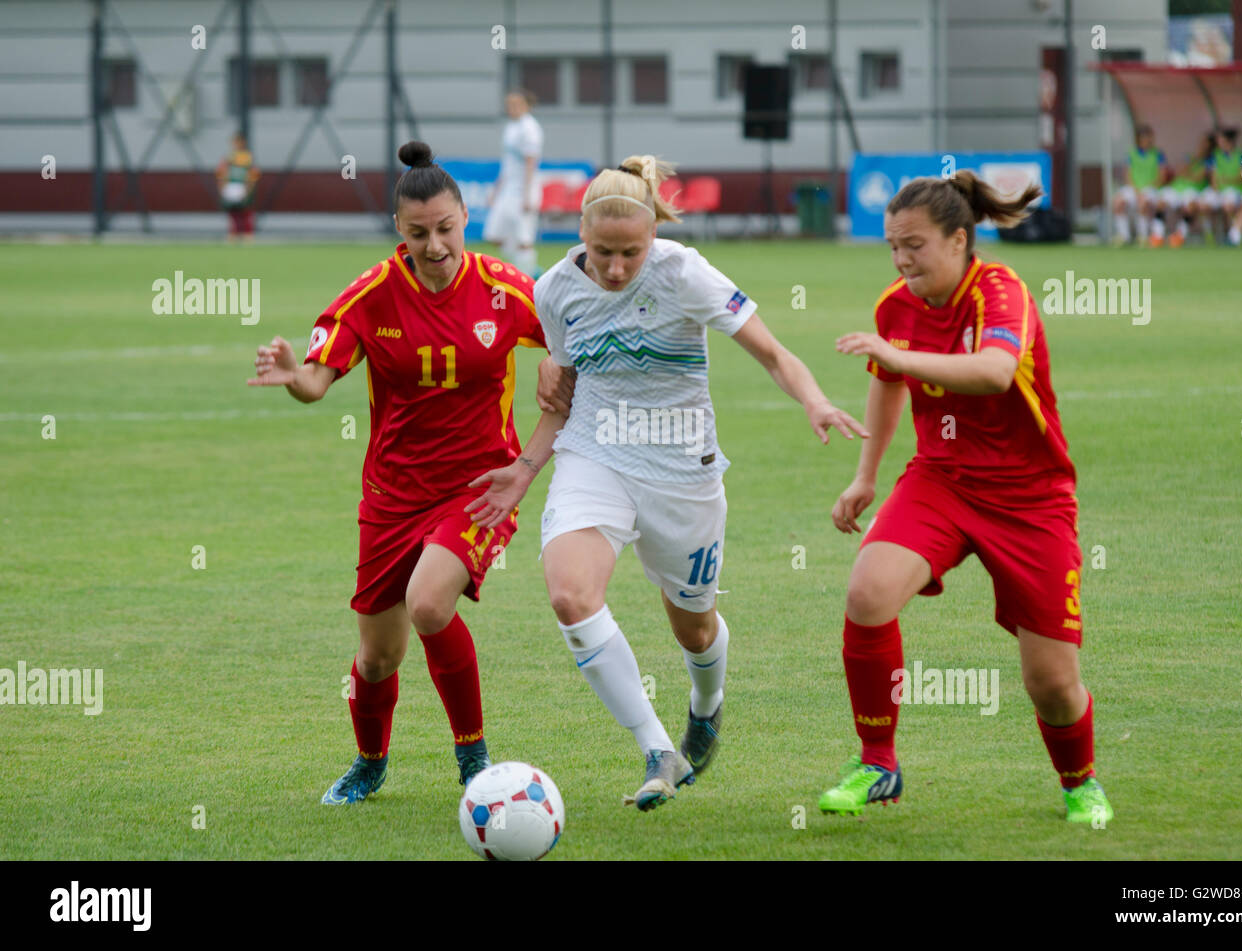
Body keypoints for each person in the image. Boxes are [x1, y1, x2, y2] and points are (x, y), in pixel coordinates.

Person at [465, 155, 867, 811]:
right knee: (571, 594)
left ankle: (705, 704)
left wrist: (815, 400)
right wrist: (526, 467)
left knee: (695, 629)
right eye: (603, 253)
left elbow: (772, 352)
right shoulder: (555, 290)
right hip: (596, 457)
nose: (617, 268)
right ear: (581, 237)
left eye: (631, 252)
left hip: (684, 472)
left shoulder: (684, 272)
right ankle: (657, 746)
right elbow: (561, 395)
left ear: (654, 235)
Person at [247, 140, 567, 804]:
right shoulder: (371, 296)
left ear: (463, 220)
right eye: (419, 232)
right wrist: (291, 376)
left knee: (428, 603)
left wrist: (557, 360)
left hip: (481, 487)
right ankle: (370, 760)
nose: (436, 245)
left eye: (446, 228)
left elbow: (574, 338)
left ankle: (473, 760)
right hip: (392, 495)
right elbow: (315, 381)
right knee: (377, 656)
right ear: (400, 229)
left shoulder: (506, 289)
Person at [819, 170, 1114, 825]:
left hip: (1030, 497)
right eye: (893, 245)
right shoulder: (895, 304)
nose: (901, 258)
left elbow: (993, 372)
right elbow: (888, 384)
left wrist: (897, 357)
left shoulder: (1000, 291)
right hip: (942, 479)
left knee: (1052, 684)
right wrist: (866, 476)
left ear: (959, 240)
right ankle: (877, 763)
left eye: (914, 245)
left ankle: (1080, 781)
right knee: (868, 592)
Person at [483, 90, 543, 278]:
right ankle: (524, 271)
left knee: (524, 237)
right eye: (509, 105)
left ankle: (526, 277)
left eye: (516, 104)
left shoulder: (530, 128)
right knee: (495, 235)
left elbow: (530, 162)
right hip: (508, 190)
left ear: (526, 105)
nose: (512, 108)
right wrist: (496, 190)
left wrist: (527, 195)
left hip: (524, 189)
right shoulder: (511, 127)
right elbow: (507, 164)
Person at [1112, 124, 1168, 246]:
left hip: (1151, 189)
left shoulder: (1158, 154)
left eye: (1148, 137)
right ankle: (1124, 236)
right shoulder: (1132, 153)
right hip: (1134, 188)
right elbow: (1128, 174)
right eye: (1143, 138)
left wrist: (1147, 188)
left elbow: (1161, 176)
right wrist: (1135, 189)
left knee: (1143, 202)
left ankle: (1143, 236)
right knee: (1118, 202)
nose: (1146, 141)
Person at [1160, 131, 1215, 247]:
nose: (1202, 146)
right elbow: (1179, 171)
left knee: (1191, 206)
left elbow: (1198, 178)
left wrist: (1187, 173)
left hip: (1194, 190)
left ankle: (1180, 235)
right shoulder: (1191, 157)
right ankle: (1157, 235)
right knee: (1160, 202)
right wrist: (1195, 160)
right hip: (1177, 188)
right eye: (1202, 143)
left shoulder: (1210, 161)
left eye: (1205, 144)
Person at [216, 132, 260, 242]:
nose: (236, 144)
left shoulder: (248, 157)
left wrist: (249, 186)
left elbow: (253, 173)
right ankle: (233, 234)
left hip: (243, 186)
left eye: (238, 142)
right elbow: (222, 172)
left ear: (243, 142)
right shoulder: (228, 157)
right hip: (231, 186)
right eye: (234, 142)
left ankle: (248, 234)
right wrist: (222, 186)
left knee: (246, 210)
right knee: (232, 211)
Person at [1204, 127, 1242, 243]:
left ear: (1229, 141)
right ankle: (1210, 234)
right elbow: (1213, 177)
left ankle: (1233, 235)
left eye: (1221, 140)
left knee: (1229, 206)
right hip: (1219, 190)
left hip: (1236, 190)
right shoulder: (1215, 155)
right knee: (1203, 205)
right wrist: (1217, 188)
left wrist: (1228, 180)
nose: (1219, 143)